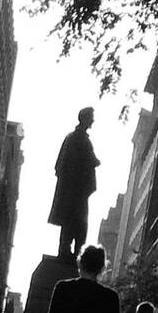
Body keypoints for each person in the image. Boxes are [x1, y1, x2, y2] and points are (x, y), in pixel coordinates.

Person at [49, 108, 100, 262]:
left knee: (75, 223)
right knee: (75, 222)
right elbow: (64, 165)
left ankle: (72, 251)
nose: (93, 121)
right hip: (74, 192)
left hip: (76, 192)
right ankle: (68, 251)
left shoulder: (78, 138)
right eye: (91, 118)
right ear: (84, 119)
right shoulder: (78, 139)